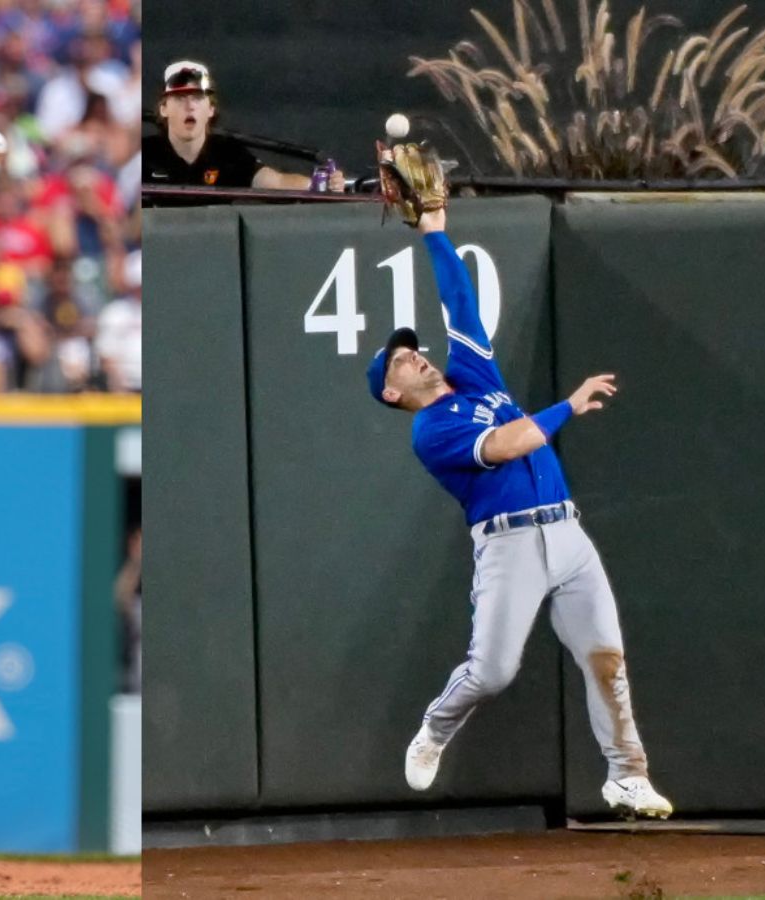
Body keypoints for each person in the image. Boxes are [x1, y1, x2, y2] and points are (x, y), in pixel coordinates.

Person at [364, 205, 673, 820]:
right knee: (493, 671)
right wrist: (567, 407)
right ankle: (436, 726)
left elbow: (460, 302)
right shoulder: (429, 431)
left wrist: (434, 231)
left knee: (606, 658)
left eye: (414, 350)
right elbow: (507, 445)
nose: (417, 356)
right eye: (401, 361)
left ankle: (627, 775)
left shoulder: (474, 376)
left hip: (567, 532)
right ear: (393, 393)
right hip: (509, 548)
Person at [142, 60, 344, 192]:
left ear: (211, 109)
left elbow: (276, 182)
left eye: (197, 98)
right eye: (179, 98)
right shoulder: (143, 155)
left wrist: (320, 186)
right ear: (163, 109)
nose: (190, 106)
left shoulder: (229, 153)